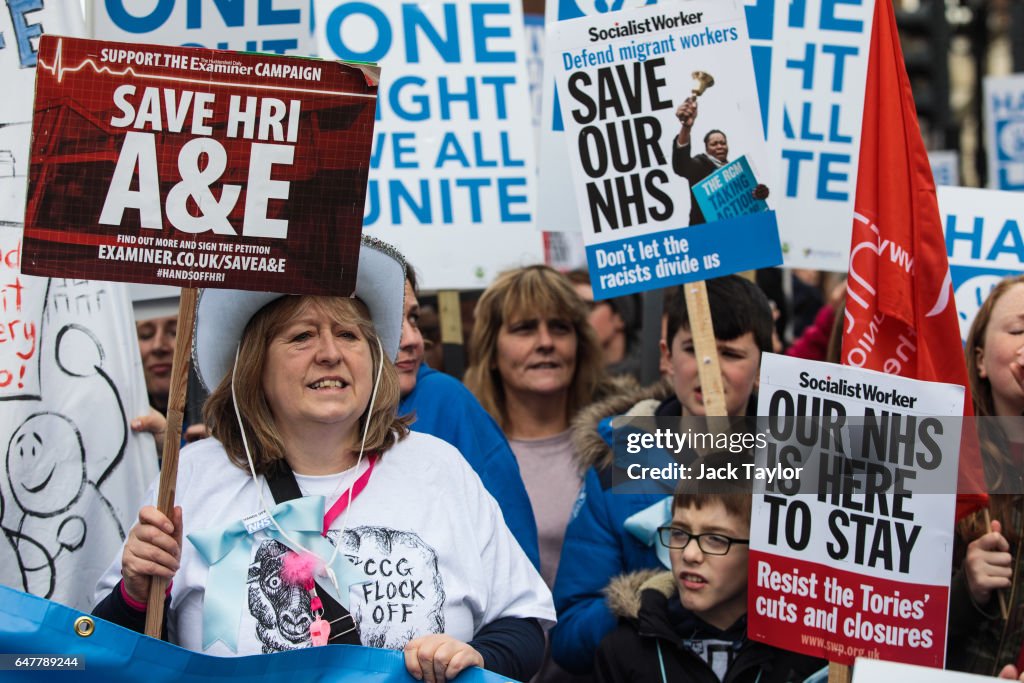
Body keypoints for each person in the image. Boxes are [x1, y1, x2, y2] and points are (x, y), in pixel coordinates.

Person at [94, 237, 553, 682]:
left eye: (349, 335)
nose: (330, 353)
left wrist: (474, 656)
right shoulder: (192, 475)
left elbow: (522, 623)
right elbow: (107, 654)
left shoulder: (439, 467)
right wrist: (136, 593)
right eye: (302, 336)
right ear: (256, 365)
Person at [551, 275, 773, 674]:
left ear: (763, 367)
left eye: (731, 354)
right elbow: (568, 636)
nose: (710, 370)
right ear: (666, 356)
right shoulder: (620, 465)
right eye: (694, 350)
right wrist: (647, 600)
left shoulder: (797, 465)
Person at [594, 458, 825, 682]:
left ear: (763, 550)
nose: (689, 554)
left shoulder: (805, 657)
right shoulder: (625, 651)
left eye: (715, 538)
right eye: (679, 533)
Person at [465, 265, 621, 591]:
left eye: (560, 328)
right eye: (524, 329)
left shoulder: (622, 440)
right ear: (491, 351)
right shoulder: (463, 449)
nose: (546, 342)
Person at [397, 265, 541, 569]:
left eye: (414, 319)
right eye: (524, 328)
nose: (412, 339)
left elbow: (516, 570)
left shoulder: (446, 401)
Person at [948, 274, 1024, 675]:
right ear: (979, 360)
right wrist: (968, 590)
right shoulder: (944, 464)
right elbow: (894, 621)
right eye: (1019, 329)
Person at [128, 285, 208, 453]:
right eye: (146, 334)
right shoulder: (119, 425)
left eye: (175, 331)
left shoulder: (223, 430)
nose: (158, 346)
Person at [671, 97, 768, 226]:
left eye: (723, 143)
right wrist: (686, 127)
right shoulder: (700, 165)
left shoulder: (738, 171)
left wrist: (760, 193)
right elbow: (681, 166)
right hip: (705, 234)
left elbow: (749, 202)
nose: (720, 146)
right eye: (714, 144)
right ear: (706, 148)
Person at [566, 269, 642, 382]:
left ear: (619, 317)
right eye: (566, 311)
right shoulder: (562, 384)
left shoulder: (657, 379)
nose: (574, 318)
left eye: (586, 307)